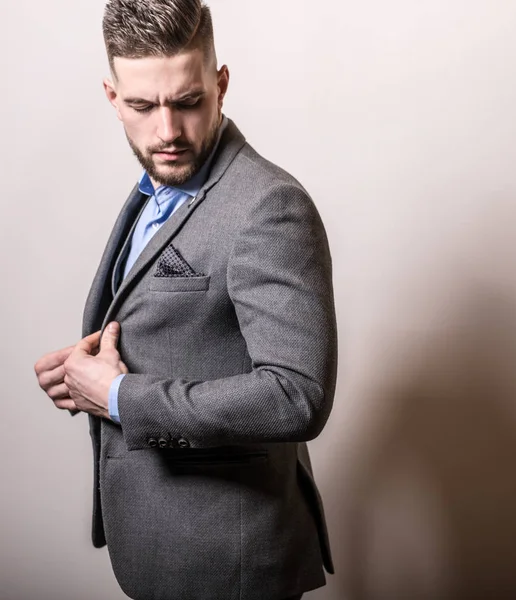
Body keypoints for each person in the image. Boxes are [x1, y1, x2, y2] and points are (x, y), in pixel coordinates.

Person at [33, 1, 337, 599]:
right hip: (166, 544)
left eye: (188, 101)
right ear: (112, 97)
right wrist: (89, 369)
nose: (167, 131)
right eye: (143, 106)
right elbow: (186, 327)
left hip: (230, 561)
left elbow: (297, 396)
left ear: (220, 86)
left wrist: (119, 395)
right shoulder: (158, 187)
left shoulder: (268, 207)